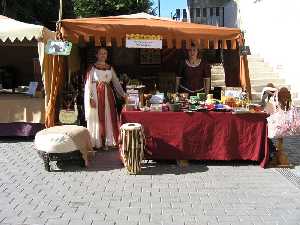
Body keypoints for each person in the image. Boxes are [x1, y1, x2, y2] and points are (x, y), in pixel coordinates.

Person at [84, 47, 126, 149]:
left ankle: (109, 140)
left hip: (108, 94)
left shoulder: (110, 68)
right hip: (96, 93)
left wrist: (124, 94)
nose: (103, 55)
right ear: (97, 55)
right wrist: (90, 98)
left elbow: (116, 82)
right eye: (101, 53)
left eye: (105, 53)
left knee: (109, 115)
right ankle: (97, 141)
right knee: (98, 117)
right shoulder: (92, 68)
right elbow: (88, 84)